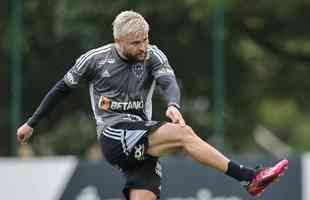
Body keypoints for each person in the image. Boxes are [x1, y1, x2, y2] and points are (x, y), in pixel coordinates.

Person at [17, 10, 288, 200]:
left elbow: (169, 82)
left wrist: (173, 105)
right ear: (118, 41)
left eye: (145, 39)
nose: (143, 47)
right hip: (114, 134)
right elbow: (62, 88)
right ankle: (248, 177)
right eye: (136, 43)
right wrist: (32, 123)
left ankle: (248, 179)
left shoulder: (153, 54)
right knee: (183, 135)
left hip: (142, 136)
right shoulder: (95, 60)